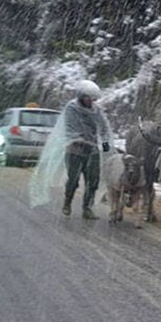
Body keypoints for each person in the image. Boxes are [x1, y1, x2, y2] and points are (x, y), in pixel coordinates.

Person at [61, 80, 111, 219]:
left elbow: (104, 128)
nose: (90, 101)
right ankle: (67, 201)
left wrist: (105, 145)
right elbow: (70, 126)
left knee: (93, 180)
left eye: (93, 98)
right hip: (75, 150)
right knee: (73, 179)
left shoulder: (96, 110)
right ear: (81, 96)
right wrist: (78, 139)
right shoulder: (72, 108)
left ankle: (87, 207)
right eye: (88, 97)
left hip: (92, 149)